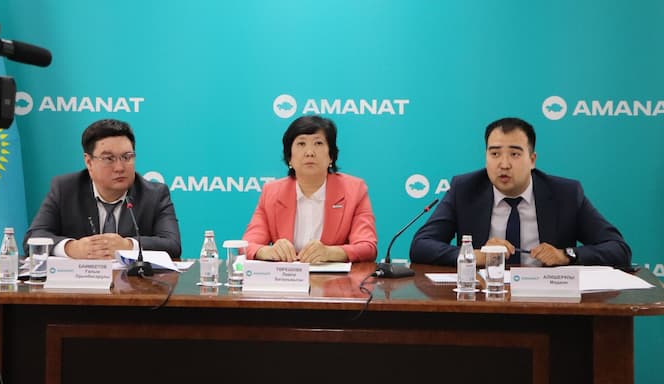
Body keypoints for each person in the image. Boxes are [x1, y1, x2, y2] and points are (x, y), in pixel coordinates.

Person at [409, 117, 631, 268]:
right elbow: (421, 245)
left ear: (532, 160)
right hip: (482, 302)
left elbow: (618, 249)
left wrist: (566, 255)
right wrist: (476, 256)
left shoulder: (565, 194)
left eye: (514, 154)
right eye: (495, 154)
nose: (504, 164)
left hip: (549, 304)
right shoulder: (465, 189)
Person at [24, 119, 181, 259]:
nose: (119, 168)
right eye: (108, 159)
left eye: (127, 157)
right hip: (81, 281)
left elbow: (172, 244)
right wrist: (72, 248)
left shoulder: (154, 194)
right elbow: (33, 238)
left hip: (132, 282)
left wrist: (128, 246)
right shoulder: (65, 189)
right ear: (89, 162)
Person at [243, 115, 377, 263]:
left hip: (335, 277)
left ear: (331, 156)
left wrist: (330, 253)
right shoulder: (272, 192)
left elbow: (367, 247)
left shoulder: (354, 190)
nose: (309, 152)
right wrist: (268, 251)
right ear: (289, 157)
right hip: (287, 276)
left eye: (318, 143)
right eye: (301, 144)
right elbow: (247, 245)